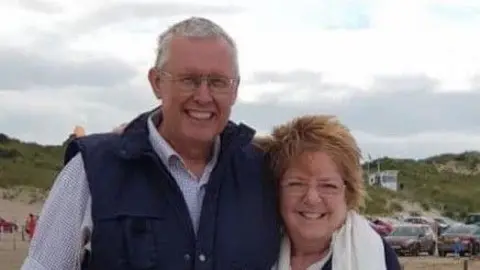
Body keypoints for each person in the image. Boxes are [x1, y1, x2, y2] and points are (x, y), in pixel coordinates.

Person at [21, 17, 281, 270]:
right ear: (157, 82)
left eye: (217, 82)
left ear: (235, 90)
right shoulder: (91, 171)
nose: (203, 96)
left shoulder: (263, 172)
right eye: (188, 80)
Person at [255, 115, 401, 270]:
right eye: (296, 184)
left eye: (328, 186)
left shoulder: (377, 256)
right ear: (278, 190)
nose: (311, 198)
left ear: (348, 193)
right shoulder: (253, 255)